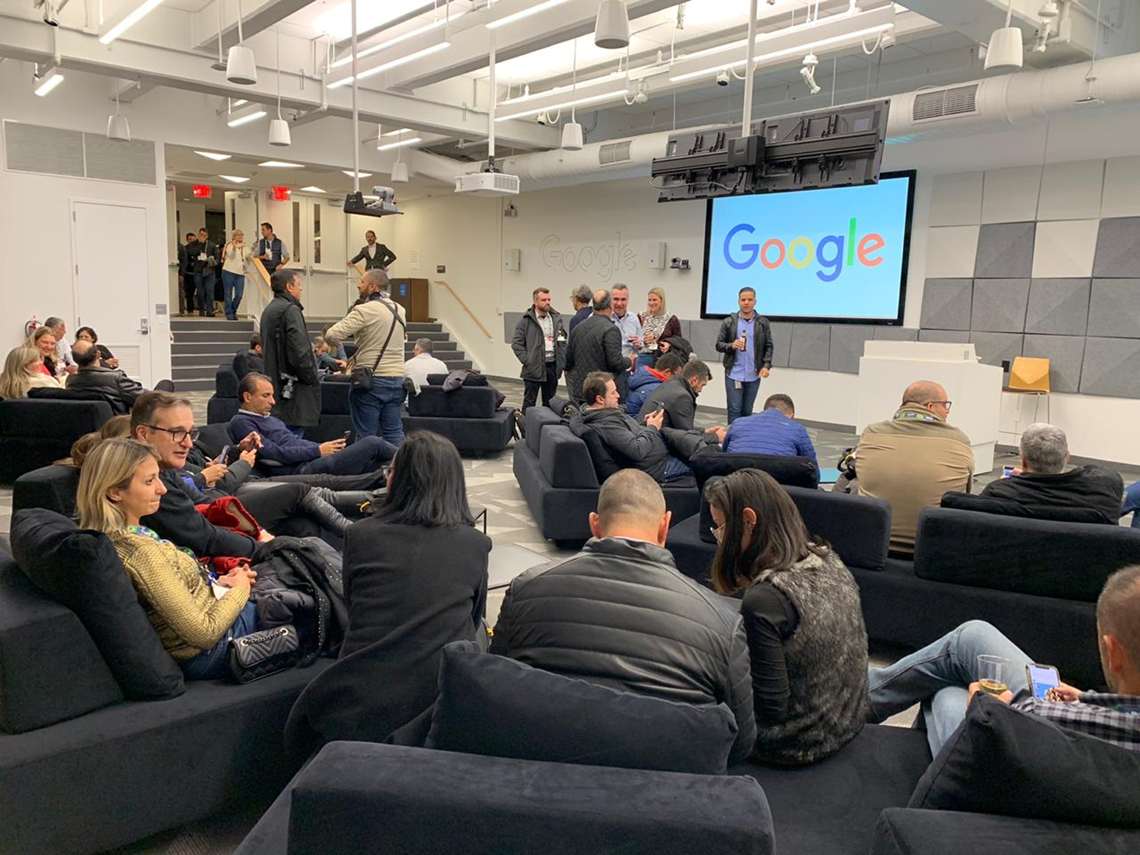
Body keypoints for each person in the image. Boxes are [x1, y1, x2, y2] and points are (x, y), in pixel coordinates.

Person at [491, 469, 756, 764]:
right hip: (668, 784)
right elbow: (740, 742)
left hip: (539, 772)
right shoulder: (723, 622)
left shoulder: (526, 589)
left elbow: (494, 686)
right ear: (665, 526)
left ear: (594, 524)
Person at [284, 432, 490, 756]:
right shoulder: (475, 544)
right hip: (440, 705)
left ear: (401, 480)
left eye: (391, 470)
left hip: (358, 701)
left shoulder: (361, 535)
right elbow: (475, 616)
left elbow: (355, 610)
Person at [868, 566, 1140, 757]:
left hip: (1000, 768)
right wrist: (1087, 699)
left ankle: (856, 701)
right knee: (967, 647)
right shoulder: (1114, 725)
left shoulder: (1053, 718)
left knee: (949, 687)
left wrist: (999, 706)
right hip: (1067, 734)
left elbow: (1012, 720)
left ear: (1113, 653)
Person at [707, 469, 868, 766]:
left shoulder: (765, 599)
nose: (719, 540)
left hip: (796, 743)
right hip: (846, 720)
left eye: (720, 528)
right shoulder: (828, 559)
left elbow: (769, 708)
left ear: (749, 520)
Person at [76, 437, 258, 679]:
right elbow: (204, 633)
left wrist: (221, 584)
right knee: (301, 589)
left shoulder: (120, 535)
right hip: (217, 647)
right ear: (114, 491)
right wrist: (240, 588)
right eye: (149, 481)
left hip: (213, 613)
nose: (162, 489)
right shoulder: (140, 551)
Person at [130, 392, 263, 560]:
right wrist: (267, 547)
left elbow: (204, 502)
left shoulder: (164, 466)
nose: (188, 443)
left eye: (190, 433)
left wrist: (258, 532)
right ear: (143, 434)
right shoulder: (146, 481)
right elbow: (206, 538)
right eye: (177, 432)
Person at [855, 380, 974, 556]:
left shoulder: (871, 433)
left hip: (871, 546)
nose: (947, 411)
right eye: (945, 405)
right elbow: (964, 495)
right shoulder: (959, 440)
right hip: (931, 551)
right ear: (931, 406)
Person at [230, 373, 395, 477]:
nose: (272, 401)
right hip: (299, 469)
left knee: (379, 464)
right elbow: (274, 453)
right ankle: (411, 455)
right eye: (266, 396)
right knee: (373, 443)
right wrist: (318, 450)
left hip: (311, 460)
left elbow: (294, 442)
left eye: (272, 395)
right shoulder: (242, 422)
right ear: (248, 397)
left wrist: (326, 448)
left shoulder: (269, 418)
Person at [572, 371, 721, 484]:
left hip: (657, 456)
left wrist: (645, 424)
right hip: (657, 467)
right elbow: (637, 450)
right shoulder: (606, 423)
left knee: (693, 447)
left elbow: (629, 438)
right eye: (613, 392)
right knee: (705, 465)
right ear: (600, 399)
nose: (618, 395)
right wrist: (652, 427)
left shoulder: (606, 414)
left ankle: (710, 439)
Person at [964, 423, 1121, 524]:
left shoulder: (998, 493)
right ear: (1067, 457)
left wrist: (1018, 482)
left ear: (1023, 461)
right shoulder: (1103, 495)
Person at [325, 269, 408, 445]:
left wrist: (354, 338)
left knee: (366, 436)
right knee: (394, 432)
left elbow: (331, 334)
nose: (358, 285)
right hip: (397, 379)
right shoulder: (400, 310)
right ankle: (399, 462)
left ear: (372, 286)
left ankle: (366, 464)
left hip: (371, 381)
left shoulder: (365, 310)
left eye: (362, 282)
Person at [260, 269, 321, 434]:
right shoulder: (290, 311)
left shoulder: (269, 310)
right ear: (289, 286)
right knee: (293, 442)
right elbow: (300, 353)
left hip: (276, 387)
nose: (301, 289)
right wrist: (312, 377)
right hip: (293, 391)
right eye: (298, 285)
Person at [715, 287, 774, 423]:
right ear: (738, 301)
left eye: (750, 299)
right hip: (734, 374)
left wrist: (766, 365)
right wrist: (731, 345)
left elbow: (769, 345)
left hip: (754, 374)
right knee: (734, 409)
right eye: (743, 300)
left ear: (755, 302)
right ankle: (733, 435)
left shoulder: (762, 323)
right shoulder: (729, 322)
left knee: (747, 411)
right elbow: (719, 345)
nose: (746, 302)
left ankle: (744, 436)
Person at [723, 394, 819, 471]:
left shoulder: (738, 422)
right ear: (792, 415)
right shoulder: (797, 429)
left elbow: (724, 455)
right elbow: (812, 468)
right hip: (778, 484)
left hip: (735, 482)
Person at [563, 289, 626, 403]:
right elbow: (615, 363)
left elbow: (568, 361)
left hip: (581, 390)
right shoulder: (611, 330)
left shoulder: (578, 328)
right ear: (610, 306)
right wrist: (629, 361)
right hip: (601, 393)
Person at [512, 287, 567, 412]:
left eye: (549, 299)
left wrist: (562, 361)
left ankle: (547, 425)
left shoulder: (556, 319)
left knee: (550, 403)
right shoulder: (525, 321)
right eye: (544, 300)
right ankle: (526, 424)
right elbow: (516, 344)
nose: (547, 302)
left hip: (552, 366)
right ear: (535, 302)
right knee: (529, 403)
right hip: (533, 368)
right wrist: (528, 360)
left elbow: (562, 340)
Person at [66, 340, 145, 412]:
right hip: (115, 422)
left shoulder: (71, 381)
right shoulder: (116, 379)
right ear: (98, 355)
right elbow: (144, 399)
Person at [639, 359, 713, 431]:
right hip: (652, 436)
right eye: (702, 385)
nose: (701, 390)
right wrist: (712, 436)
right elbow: (686, 434)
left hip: (644, 432)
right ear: (694, 380)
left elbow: (681, 427)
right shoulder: (682, 397)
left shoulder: (672, 383)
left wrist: (703, 431)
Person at [626, 351, 685, 417]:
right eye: (676, 376)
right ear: (667, 372)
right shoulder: (659, 389)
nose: (677, 380)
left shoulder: (640, 377)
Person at [609, 284, 642, 399]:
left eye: (623, 299)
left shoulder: (634, 318)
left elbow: (640, 344)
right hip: (607, 371)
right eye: (616, 299)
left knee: (624, 403)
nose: (619, 303)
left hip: (626, 371)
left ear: (628, 300)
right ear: (610, 300)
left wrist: (638, 344)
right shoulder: (603, 317)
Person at [637, 287, 681, 368]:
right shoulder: (641, 317)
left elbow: (679, 340)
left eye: (654, 300)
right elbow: (634, 336)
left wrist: (669, 343)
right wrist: (643, 340)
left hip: (663, 359)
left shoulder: (671, 319)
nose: (651, 303)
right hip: (643, 356)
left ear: (661, 301)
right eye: (649, 300)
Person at [221, 228, 250, 321]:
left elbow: (249, 257)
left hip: (240, 273)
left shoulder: (245, 247)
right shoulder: (229, 245)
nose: (241, 236)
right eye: (238, 235)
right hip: (228, 272)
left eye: (242, 235)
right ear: (234, 236)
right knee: (228, 294)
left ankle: (233, 310)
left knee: (239, 295)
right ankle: (229, 313)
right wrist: (234, 247)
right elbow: (231, 256)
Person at [190, 228, 219, 317]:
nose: (202, 236)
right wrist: (200, 244)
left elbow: (217, 258)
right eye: (201, 235)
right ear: (198, 235)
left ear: (207, 236)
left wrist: (212, 260)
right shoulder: (194, 244)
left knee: (210, 291)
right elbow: (191, 253)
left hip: (209, 271)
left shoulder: (212, 245)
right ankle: (202, 310)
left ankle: (210, 311)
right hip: (198, 271)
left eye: (204, 235)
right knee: (200, 292)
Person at [179, 232, 197, 315]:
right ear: (187, 240)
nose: (191, 241)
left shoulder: (199, 248)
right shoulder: (184, 249)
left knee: (201, 292)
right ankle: (190, 310)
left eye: (193, 239)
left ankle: (202, 309)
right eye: (190, 239)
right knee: (189, 293)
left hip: (198, 274)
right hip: (188, 274)